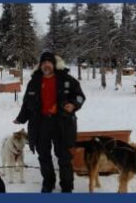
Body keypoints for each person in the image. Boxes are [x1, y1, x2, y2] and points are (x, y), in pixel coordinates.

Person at [14, 51, 86, 193]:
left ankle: (67, 185)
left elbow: (79, 96)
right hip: (40, 124)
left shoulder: (66, 79)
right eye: (44, 63)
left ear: (54, 64)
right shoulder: (34, 82)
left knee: (64, 156)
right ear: (40, 65)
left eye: (49, 62)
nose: (46, 65)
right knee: (44, 156)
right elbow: (27, 103)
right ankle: (48, 182)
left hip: (62, 123)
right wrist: (21, 118)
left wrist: (73, 105)